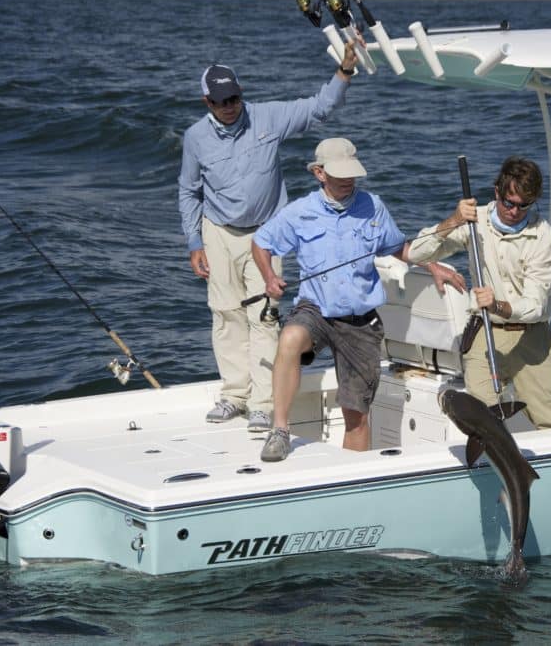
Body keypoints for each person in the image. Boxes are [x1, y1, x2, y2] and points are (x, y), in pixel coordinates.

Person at [177, 42, 360, 430]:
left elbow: (319, 108)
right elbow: (189, 191)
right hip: (218, 233)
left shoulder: (268, 118)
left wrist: (344, 71)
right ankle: (233, 395)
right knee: (226, 316)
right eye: (221, 100)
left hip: (266, 235)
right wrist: (194, 241)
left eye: (235, 97)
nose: (230, 106)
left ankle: (262, 403)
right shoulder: (195, 138)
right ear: (206, 101)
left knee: (265, 317)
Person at [252, 138, 462, 461]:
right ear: (319, 173)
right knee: (291, 337)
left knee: (357, 417)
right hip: (316, 310)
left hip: (361, 320)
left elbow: (400, 247)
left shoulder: (373, 206)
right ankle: (280, 430)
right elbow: (261, 242)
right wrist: (269, 277)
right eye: (339, 175)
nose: (348, 181)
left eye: (352, 174)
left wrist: (433, 266)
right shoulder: (300, 213)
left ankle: (351, 476)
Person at [407, 156, 551, 429]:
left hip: (530, 336)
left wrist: (498, 305)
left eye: (524, 206)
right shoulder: (475, 221)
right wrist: (452, 221)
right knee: (481, 422)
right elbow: (416, 252)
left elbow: (534, 306)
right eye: (509, 203)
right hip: (485, 334)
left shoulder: (543, 238)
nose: (514, 211)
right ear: (496, 192)